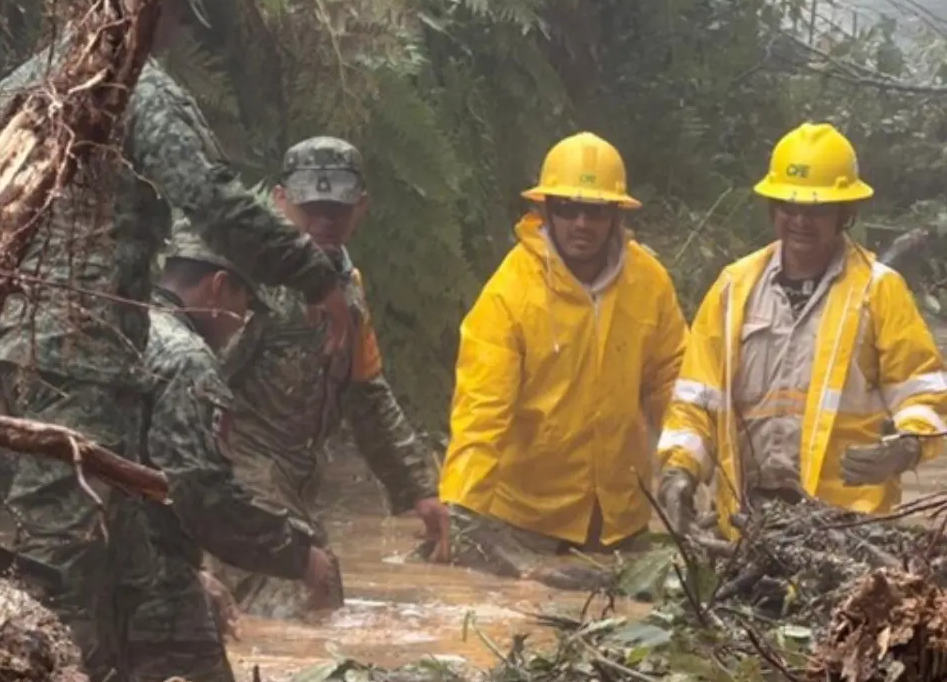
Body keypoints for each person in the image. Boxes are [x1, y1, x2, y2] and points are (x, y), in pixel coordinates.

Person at [0, 0, 351, 682]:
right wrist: (313, 275)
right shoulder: (137, 86)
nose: (170, 37)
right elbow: (210, 200)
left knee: (91, 549)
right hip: (79, 355)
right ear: (157, 4)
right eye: (172, 19)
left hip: (2, 355)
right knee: (68, 564)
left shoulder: (16, 90)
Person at [657, 122, 947, 539]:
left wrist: (907, 447)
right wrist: (678, 469)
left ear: (846, 214)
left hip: (847, 524)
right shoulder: (734, 288)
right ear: (773, 209)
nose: (800, 221)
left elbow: (924, 393)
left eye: (817, 210)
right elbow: (697, 400)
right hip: (747, 521)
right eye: (788, 207)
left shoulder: (877, 290)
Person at [204, 136, 449, 619]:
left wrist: (420, 490)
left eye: (336, 211)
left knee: (324, 597)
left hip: (293, 480)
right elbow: (192, 381)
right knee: (294, 601)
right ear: (280, 201)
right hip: (238, 476)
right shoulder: (245, 280)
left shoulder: (347, 289)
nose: (323, 223)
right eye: (311, 209)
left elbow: (367, 395)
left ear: (360, 209)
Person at [91, 223, 335, 682]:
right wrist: (298, 554)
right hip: (150, 590)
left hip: (81, 572)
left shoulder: (114, 329)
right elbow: (203, 496)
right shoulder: (187, 359)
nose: (242, 323)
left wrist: (198, 571)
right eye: (245, 308)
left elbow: (138, 480)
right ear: (219, 287)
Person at [434, 131, 688, 580]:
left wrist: (684, 471)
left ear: (615, 215)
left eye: (594, 211)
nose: (581, 224)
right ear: (544, 210)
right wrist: (463, 514)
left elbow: (673, 386)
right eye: (568, 209)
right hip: (527, 523)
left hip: (620, 522)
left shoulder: (650, 283)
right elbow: (480, 413)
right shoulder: (510, 292)